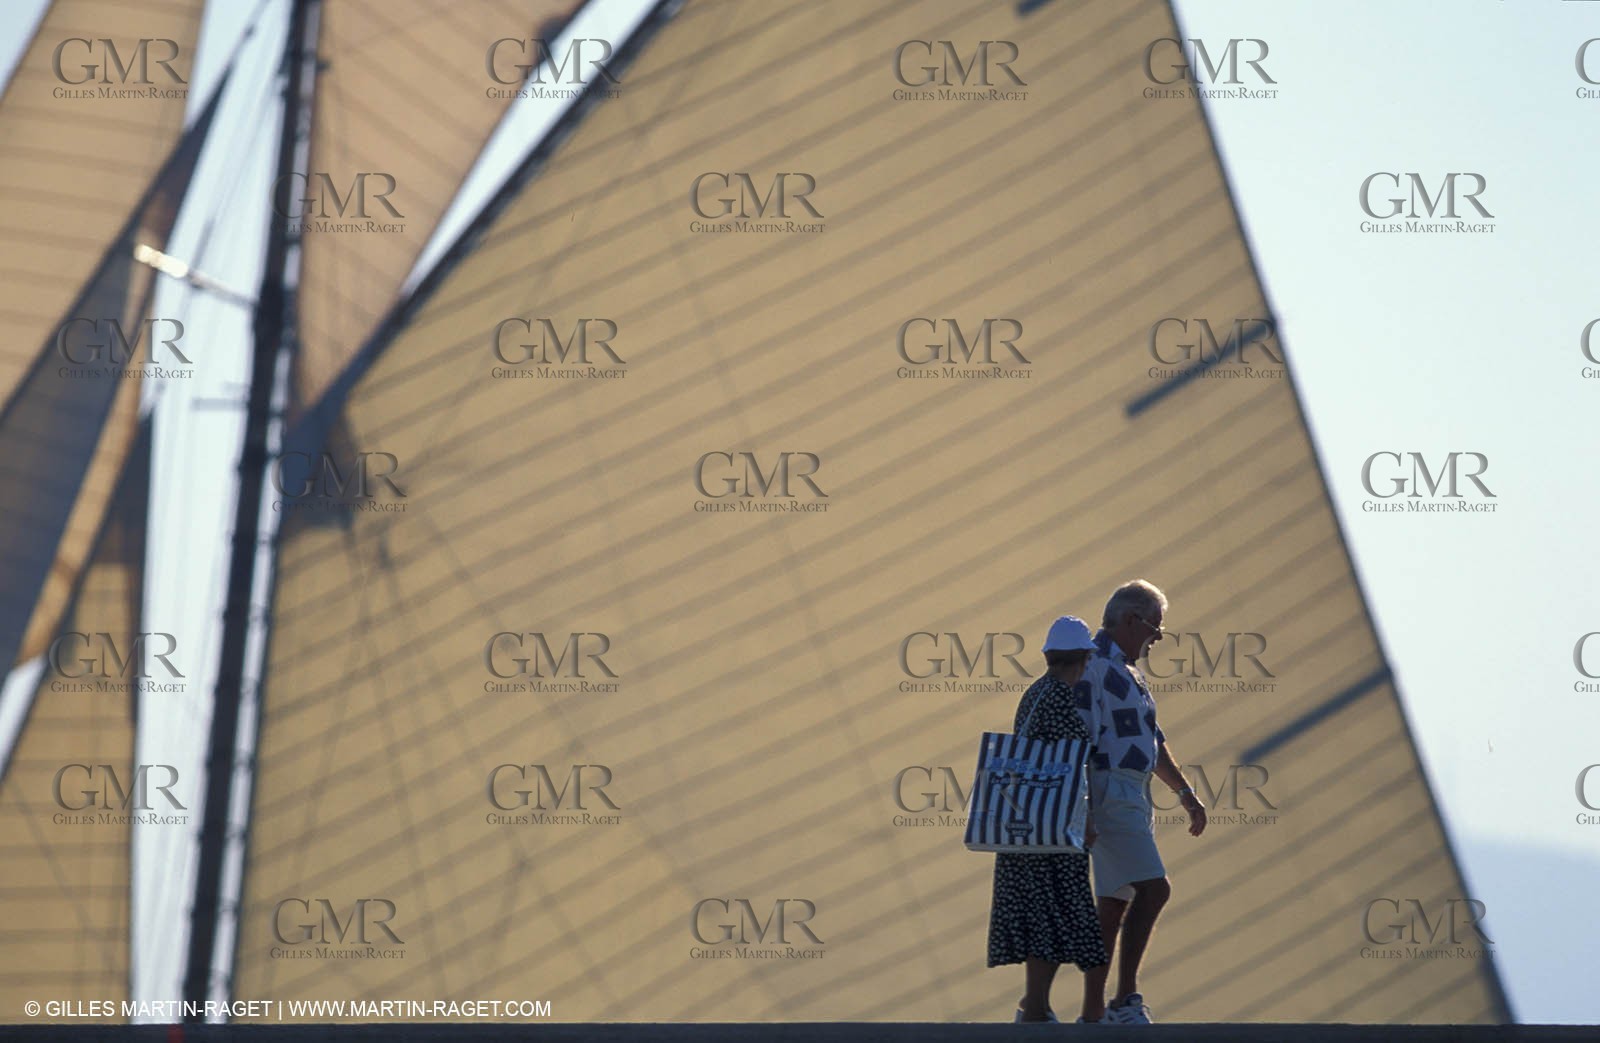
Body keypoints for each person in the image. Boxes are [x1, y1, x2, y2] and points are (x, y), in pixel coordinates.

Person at [1074, 580, 1207, 1025]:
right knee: (1156, 889)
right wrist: (1086, 806)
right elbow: (1079, 737)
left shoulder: (1129, 672)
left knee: (1114, 905)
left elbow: (1152, 741)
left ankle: (1093, 1014)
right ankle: (1124, 1000)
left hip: (1132, 792)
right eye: (1155, 628)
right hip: (1108, 791)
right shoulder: (1091, 666)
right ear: (1131, 620)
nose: (1156, 638)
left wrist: (1186, 794)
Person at [986, 615, 1110, 1024]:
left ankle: (1034, 1006)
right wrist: (1088, 820)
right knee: (1059, 915)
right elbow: (1070, 766)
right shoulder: (1059, 698)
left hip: (1025, 827)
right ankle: (1040, 1007)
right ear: (1084, 658)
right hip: (1053, 831)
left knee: (1042, 918)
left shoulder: (1036, 693)